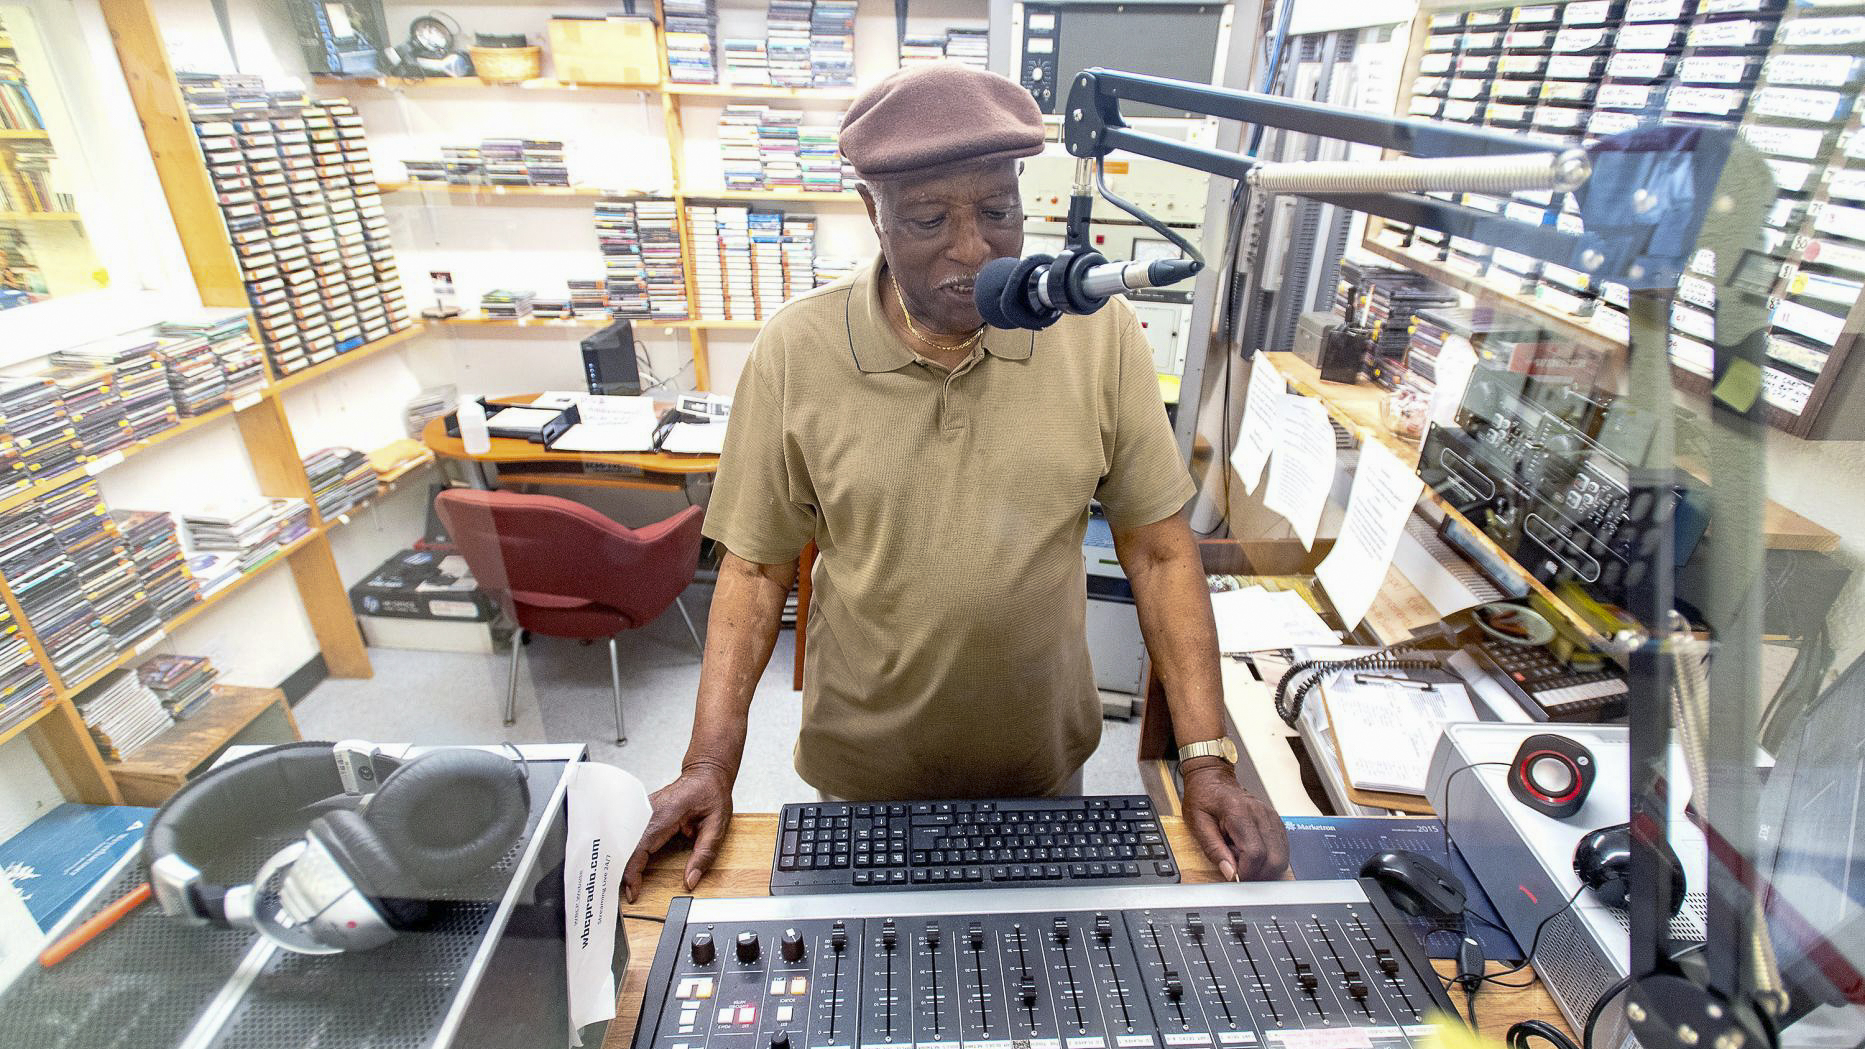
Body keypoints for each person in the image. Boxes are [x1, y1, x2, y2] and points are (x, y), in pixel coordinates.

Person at [622, 63, 1286, 902]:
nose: (972, 250)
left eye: (997, 213)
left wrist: (1207, 759)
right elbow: (753, 573)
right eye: (930, 218)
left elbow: (1158, 550)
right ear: (873, 212)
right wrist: (708, 764)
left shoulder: (1095, 330)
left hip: (1043, 776)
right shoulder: (796, 351)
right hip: (863, 778)